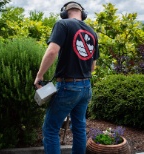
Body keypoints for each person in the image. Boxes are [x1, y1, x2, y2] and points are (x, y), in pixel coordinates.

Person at [34, 1, 100, 154]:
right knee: (79, 128)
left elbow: (52, 52)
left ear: (64, 12)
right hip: (86, 87)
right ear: (83, 14)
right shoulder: (92, 33)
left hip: (68, 87)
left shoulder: (62, 24)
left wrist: (39, 75)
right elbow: (92, 67)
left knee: (50, 129)